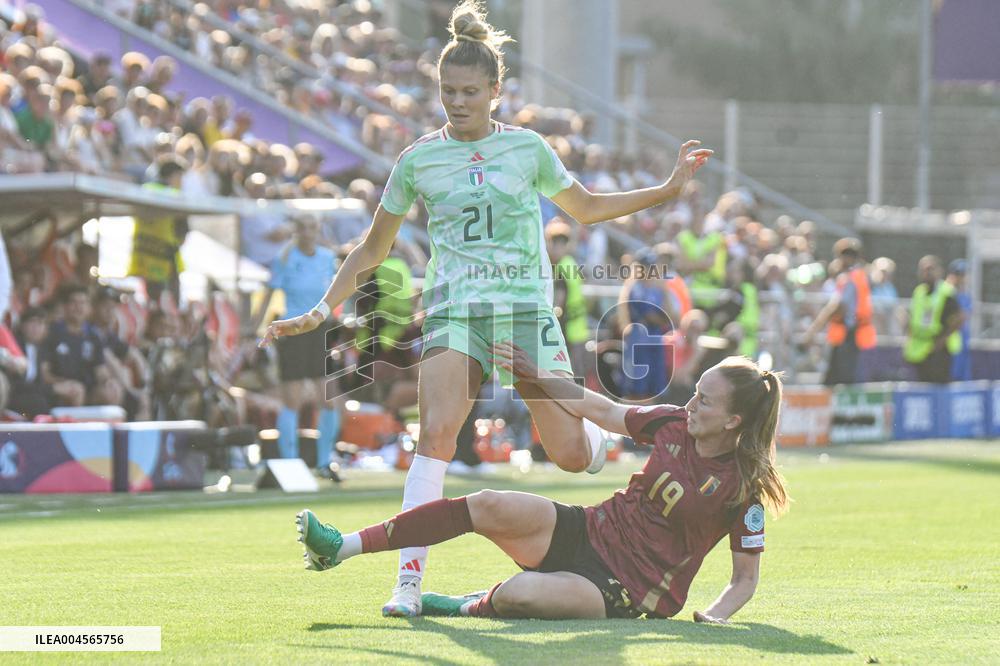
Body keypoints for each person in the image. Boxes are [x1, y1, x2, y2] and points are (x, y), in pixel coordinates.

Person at [260, 0, 712, 617]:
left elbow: (585, 208)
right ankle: (408, 584)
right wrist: (321, 309)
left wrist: (665, 190)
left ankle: (594, 444)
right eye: (448, 91)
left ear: (496, 90)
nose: (458, 101)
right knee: (435, 439)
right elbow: (372, 248)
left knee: (570, 456)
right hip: (454, 312)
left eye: (470, 91)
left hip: (525, 311)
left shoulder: (526, 148)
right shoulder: (417, 159)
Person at [296, 343, 787, 622]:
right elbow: (602, 410)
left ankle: (465, 604)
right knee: (487, 503)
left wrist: (715, 616)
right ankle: (340, 547)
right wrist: (536, 378)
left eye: (706, 401)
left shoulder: (744, 488)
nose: (692, 404)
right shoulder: (671, 422)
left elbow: (745, 579)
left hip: (622, 589)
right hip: (587, 529)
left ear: (733, 421)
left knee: (519, 594)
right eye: (696, 393)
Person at [252, 215, 342, 474]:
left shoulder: (327, 258)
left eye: (312, 227)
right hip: (292, 329)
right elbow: (270, 292)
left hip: (320, 330)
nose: (308, 232)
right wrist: (255, 327)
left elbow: (336, 294)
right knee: (291, 398)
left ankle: (325, 461)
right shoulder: (285, 257)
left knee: (327, 396)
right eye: (303, 227)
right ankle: (289, 464)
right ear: (296, 231)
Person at [802, 238, 876, 385]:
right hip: (855, 331)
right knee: (846, 377)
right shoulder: (861, 276)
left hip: (847, 334)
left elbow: (836, 306)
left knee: (838, 380)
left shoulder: (848, 278)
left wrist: (813, 330)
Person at [903, 256, 963, 383]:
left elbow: (959, 318)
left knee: (938, 387)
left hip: (940, 349)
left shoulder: (946, 291)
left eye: (931, 269)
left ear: (939, 271)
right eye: (924, 269)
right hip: (920, 349)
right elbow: (914, 318)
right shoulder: (919, 292)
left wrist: (941, 340)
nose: (927, 273)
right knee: (922, 387)